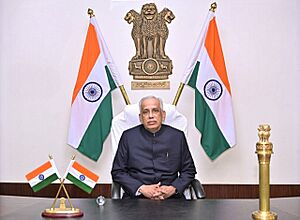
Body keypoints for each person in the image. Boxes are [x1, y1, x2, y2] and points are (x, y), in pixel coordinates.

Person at [111, 96, 196, 200]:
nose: (151, 116)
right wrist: (141, 188)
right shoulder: (128, 136)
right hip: (137, 198)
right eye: (145, 112)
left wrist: (173, 188)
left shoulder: (177, 136)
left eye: (155, 111)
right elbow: (118, 171)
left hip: (171, 197)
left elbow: (189, 170)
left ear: (163, 115)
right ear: (140, 118)